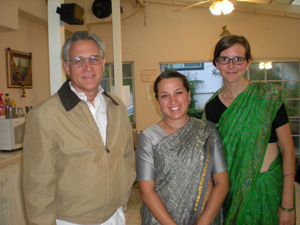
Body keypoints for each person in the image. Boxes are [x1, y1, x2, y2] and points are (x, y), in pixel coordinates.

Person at [22, 31, 136, 225]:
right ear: (67, 67)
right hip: (71, 220)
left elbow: (126, 156)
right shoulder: (45, 115)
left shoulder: (116, 106)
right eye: (78, 60)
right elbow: (37, 184)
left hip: (114, 215)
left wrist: (122, 194)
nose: (87, 66)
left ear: (103, 63)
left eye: (94, 58)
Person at [202, 35, 296, 225]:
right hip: (231, 194)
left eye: (238, 59)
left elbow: (288, 150)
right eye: (224, 59)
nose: (231, 65)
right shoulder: (211, 108)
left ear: (247, 63)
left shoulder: (268, 98)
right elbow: (212, 160)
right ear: (216, 64)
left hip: (267, 190)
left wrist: (287, 203)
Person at [136, 70, 229, 225]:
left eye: (178, 92)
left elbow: (222, 183)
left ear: (188, 95)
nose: (173, 101)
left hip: (204, 219)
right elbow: (146, 191)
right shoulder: (149, 137)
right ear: (158, 101)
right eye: (165, 95)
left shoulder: (207, 132)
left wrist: (203, 222)